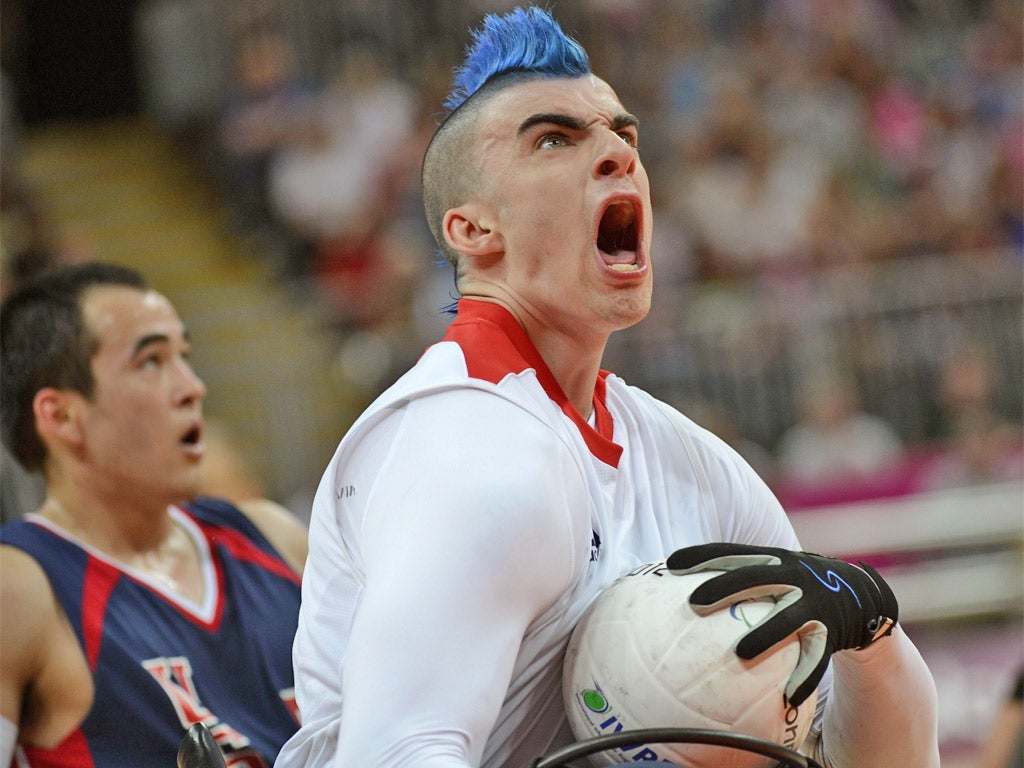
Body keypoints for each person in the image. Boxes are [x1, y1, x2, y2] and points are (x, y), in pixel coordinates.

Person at [276, 7, 939, 768]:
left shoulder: (693, 466)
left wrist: (872, 635)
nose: (615, 155)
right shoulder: (469, 451)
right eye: (554, 140)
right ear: (472, 230)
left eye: (624, 135)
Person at [0, 262, 308, 767]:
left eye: (184, 357)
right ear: (61, 416)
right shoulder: (22, 589)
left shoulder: (276, 540)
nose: (193, 387)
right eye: (151, 361)